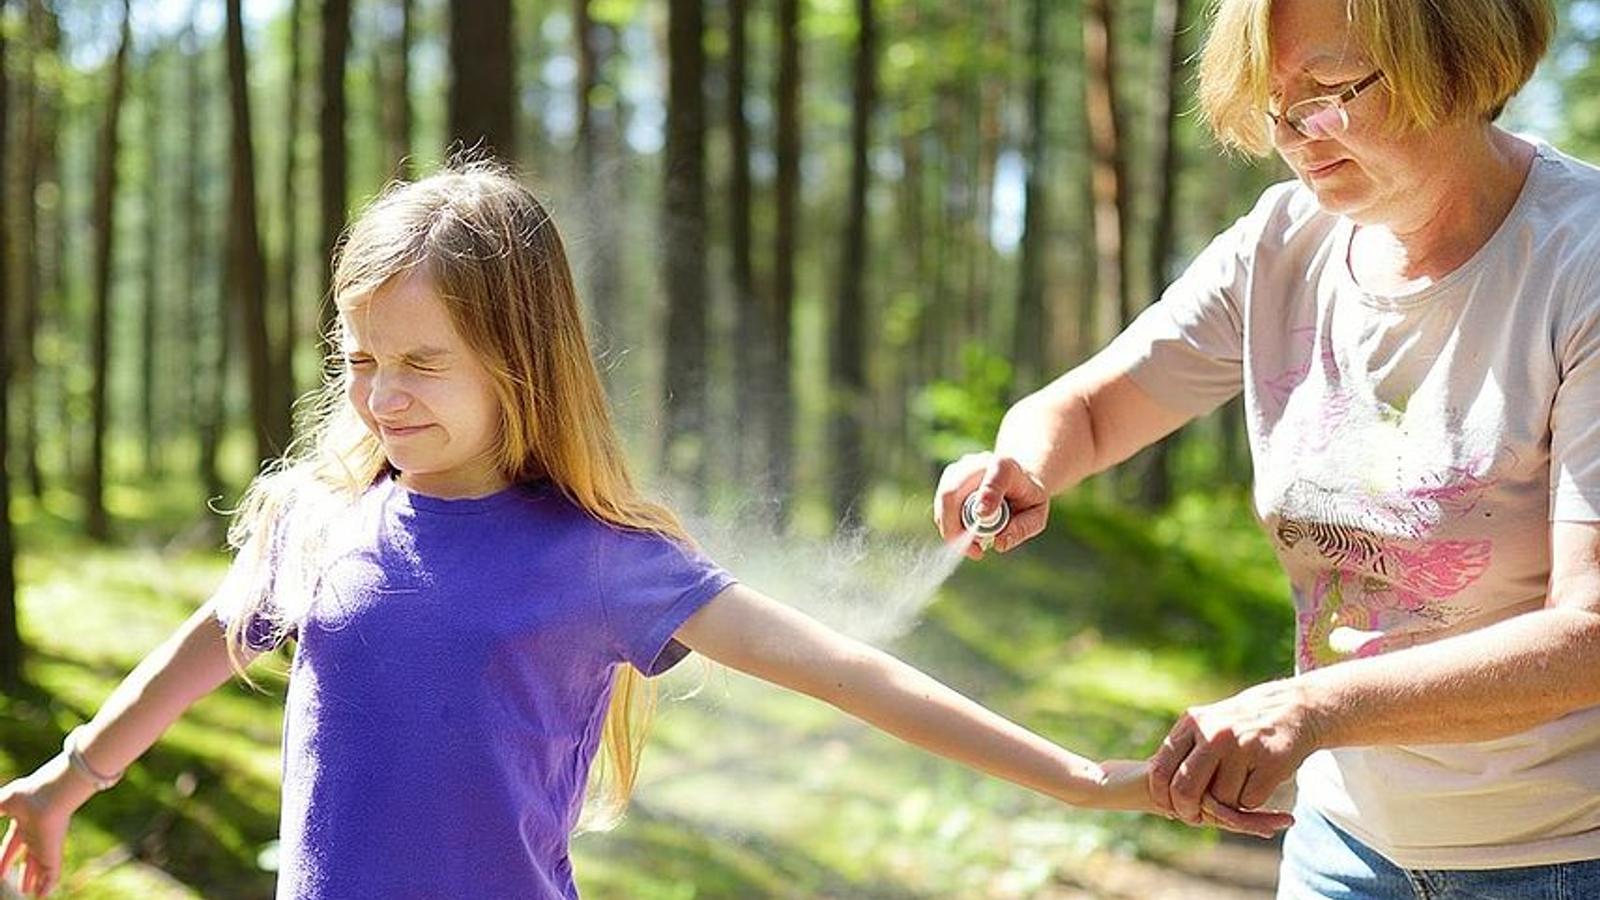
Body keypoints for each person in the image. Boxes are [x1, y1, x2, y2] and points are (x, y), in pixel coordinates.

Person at [0, 163, 1218, 900]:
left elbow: (852, 673)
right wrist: (67, 781)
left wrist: (1079, 781)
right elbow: (214, 637)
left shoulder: (598, 563)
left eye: (424, 363)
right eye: (362, 359)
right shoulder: (315, 524)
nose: (382, 395)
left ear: (519, 363)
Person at [934, 0, 1600, 896]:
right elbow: (1089, 411)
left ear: (1457, 55)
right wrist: (1019, 462)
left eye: (1326, 92)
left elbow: (1589, 633)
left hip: (1560, 857)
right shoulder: (1282, 244)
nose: (1293, 135)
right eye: (1271, 100)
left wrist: (1313, 707)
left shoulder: (1579, 263)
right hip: (1343, 847)